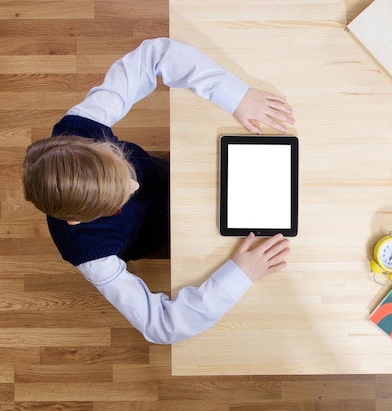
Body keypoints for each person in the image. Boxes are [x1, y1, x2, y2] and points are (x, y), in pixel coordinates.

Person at [22, 38, 295, 344]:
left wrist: (234, 94)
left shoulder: (81, 127)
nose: (135, 185)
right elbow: (162, 326)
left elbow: (156, 55)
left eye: (122, 164)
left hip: (170, 175)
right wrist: (238, 276)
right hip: (157, 233)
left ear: (93, 143)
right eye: (118, 200)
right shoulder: (91, 256)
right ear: (78, 220)